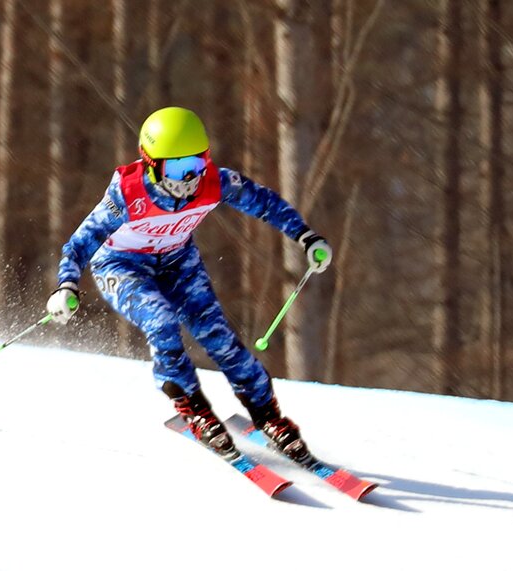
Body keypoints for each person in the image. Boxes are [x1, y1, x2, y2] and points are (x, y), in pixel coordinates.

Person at [46, 107, 332, 462]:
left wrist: (306, 237)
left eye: (197, 165)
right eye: (177, 169)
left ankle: (267, 415)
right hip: (122, 266)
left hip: (177, 262)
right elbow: (79, 244)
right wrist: (67, 285)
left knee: (219, 338)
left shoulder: (213, 183)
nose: (189, 179)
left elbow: (264, 202)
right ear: (151, 163)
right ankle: (190, 404)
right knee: (162, 321)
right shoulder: (128, 193)